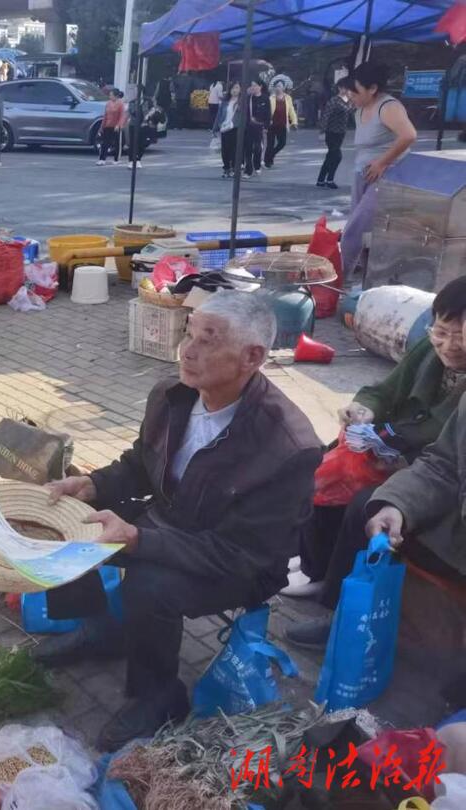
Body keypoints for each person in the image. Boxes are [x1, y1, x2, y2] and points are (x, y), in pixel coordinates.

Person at [33, 292, 322, 750]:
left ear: (252, 357)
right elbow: (139, 464)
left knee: (148, 583)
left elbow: (241, 554)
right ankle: (99, 629)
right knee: (64, 516)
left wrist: (137, 539)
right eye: (189, 334)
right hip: (172, 516)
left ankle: (159, 694)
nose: (187, 351)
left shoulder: (287, 445)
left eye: (208, 341)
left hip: (239, 562)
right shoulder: (172, 395)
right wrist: (90, 485)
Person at [283, 277, 466, 647]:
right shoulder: (428, 354)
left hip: (445, 506)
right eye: (442, 331)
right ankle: (319, 570)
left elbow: (439, 456)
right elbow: (443, 462)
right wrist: (367, 412)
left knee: (363, 503)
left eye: (461, 336)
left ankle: (339, 607)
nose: (450, 345)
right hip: (415, 462)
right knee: (331, 466)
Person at [340, 62, 417, 280]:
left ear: (372, 88)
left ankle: (336, 282)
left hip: (387, 176)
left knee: (355, 229)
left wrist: (383, 162)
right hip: (362, 174)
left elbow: (409, 135)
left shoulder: (388, 107)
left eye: (355, 91)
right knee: (364, 233)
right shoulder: (361, 107)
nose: (350, 95)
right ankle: (366, 281)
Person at [316, 77, 353, 189]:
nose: (345, 90)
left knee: (330, 156)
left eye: (347, 88)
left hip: (341, 132)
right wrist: (322, 132)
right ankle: (330, 179)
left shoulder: (349, 100)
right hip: (331, 132)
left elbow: (351, 112)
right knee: (337, 156)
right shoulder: (334, 100)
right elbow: (326, 116)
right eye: (343, 88)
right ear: (339, 88)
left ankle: (321, 179)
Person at [213, 82, 244, 179]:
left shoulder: (242, 102)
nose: (235, 90)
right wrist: (215, 128)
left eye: (237, 88)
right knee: (225, 150)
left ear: (240, 89)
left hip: (235, 128)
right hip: (224, 128)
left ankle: (235, 169)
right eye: (233, 88)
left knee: (234, 150)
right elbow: (219, 115)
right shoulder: (225, 101)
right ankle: (226, 168)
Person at [264, 81, 297, 168]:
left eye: (280, 86)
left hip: (282, 124)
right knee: (270, 144)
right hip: (272, 124)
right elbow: (267, 111)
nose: (278, 88)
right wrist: (266, 122)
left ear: (283, 87)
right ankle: (268, 161)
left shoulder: (288, 98)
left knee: (282, 143)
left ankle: (271, 155)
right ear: (274, 88)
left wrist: (294, 122)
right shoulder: (271, 98)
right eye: (276, 86)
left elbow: (291, 110)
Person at [244, 79, 270, 177]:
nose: (253, 87)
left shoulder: (265, 98)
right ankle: (248, 170)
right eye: (252, 85)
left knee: (258, 148)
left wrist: (266, 127)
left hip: (259, 126)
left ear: (260, 87)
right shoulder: (248, 98)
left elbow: (268, 114)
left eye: (255, 85)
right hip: (248, 126)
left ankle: (257, 165)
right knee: (248, 148)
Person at [96, 89, 126, 166]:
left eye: (111, 95)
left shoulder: (120, 104)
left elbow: (122, 116)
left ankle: (116, 159)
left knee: (117, 143)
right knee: (105, 143)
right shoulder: (108, 103)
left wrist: (118, 125)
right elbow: (105, 115)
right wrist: (102, 126)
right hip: (107, 125)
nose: (110, 96)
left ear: (116, 96)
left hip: (116, 126)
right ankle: (102, 159)